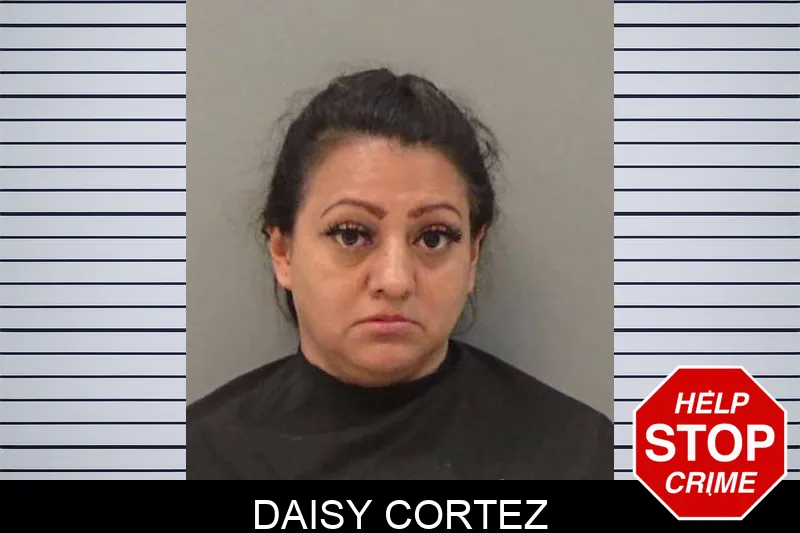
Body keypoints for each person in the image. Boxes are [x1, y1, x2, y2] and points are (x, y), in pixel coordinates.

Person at [186, 68, 613, 480]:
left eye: (433, 238)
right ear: (283, 252)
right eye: (351, 234)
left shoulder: (574, 455)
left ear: (473, 255)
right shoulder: (195, 459)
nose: (395, 280)